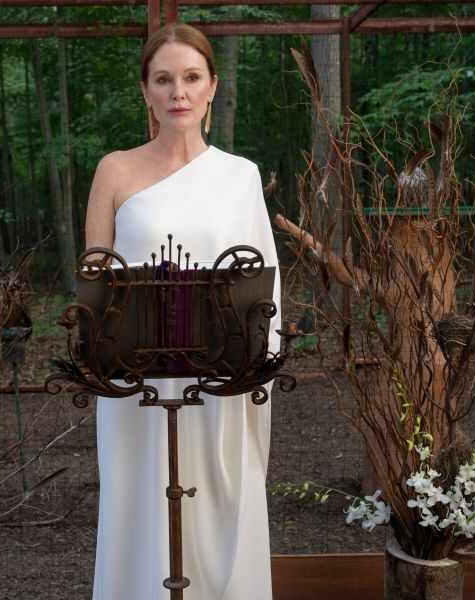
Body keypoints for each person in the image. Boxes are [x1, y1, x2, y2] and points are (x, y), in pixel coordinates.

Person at [85, 22, 280, 600]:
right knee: (140, 502)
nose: (179, 92)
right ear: (145, 90)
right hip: (136, 380)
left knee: (218, 505)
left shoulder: (240, 176)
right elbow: (94, 278)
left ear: (213, 86)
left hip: (219, 378)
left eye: (192, 78)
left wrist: (254, 365)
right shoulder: (114, 170)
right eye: (163, 79)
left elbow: (265, 283)